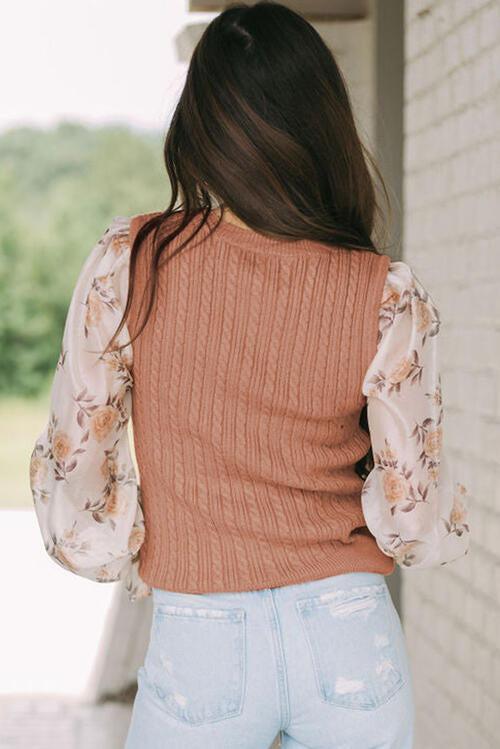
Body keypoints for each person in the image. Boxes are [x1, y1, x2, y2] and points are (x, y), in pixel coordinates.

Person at [29, 2, 471, 747]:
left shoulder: (133, 263)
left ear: (199, 125)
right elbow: (413, 517)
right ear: (325, 125)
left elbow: (77, 460)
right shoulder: (385, 291)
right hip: (351, 631)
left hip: (201, 637)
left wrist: (118, 541)